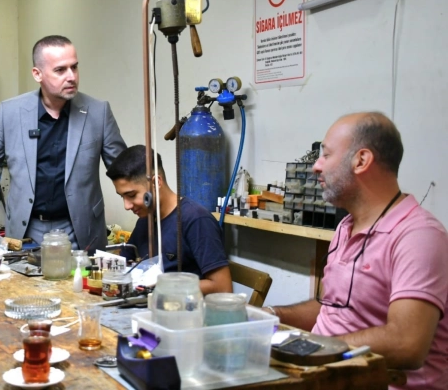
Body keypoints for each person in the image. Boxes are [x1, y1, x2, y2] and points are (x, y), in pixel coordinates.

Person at [263, 112, 448, 390]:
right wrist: (271, 315)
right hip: (326, 374)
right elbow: (333, 308)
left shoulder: (418, 236)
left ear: (361, 160)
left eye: (326, 155)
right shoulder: (346, 226)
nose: (316, 166)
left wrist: (314, 348)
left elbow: (407, 344)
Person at [0, 35, 126, 251]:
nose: (71, 76)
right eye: (60, 70)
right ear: (37, 74)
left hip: (81, 230)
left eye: (74, 67)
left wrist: (155, 203)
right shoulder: (11, 112)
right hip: (27, 229)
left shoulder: (98, 112)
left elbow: (123, 169)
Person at [105, 145, 232, 295]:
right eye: (122, 196)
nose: (126, 206)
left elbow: (222, 287)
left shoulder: (196, 220)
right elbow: (123, 265)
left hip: (184, 308)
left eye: (131, 195)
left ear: (156, 183)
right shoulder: (145, 221)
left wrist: (163, 287)